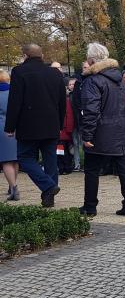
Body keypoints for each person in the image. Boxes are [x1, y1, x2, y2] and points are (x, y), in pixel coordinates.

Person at [4, 43, 66, 208]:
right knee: (50, 160)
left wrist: (10, 127)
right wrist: (60, 123)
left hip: (29, 124)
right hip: (51, 123)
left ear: (25, 55)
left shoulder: (19, 72)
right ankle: (49, 197)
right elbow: (62, 101)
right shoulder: (55, 73)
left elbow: (15, 102)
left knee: (25, 158)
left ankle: (48, 186)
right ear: (41, 55)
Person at [78, 43, 125, 217]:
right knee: (124, 168)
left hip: (101, 131)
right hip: (120, 129)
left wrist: (87, 134)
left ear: (92, 59)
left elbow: (91, 110)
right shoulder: (119, 79)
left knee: (92, 169)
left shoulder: (93, 80)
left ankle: (90, 206)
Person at [0, 70, 19, 201]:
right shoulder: (14, 92)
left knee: (6, 160)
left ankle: (14, 188)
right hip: (16, 127)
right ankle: (11, 186)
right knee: (14, 159)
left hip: (2, 128)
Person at [56, 80, 76, 175]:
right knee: (59, 150)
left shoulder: (66, 100)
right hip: (59, 131)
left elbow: (69, 115)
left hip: (63, 131)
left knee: (63, 150)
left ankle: (65, 167)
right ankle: (62, 167)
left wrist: (69, 129)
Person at [67, 77, 83, 172]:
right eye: (70, 84)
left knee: (83, 143)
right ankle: (77, 164)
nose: (72, 86)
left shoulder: (80, 95)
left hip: (81, 122)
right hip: (72, 124)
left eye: (74, 84)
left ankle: (86, 163)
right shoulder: (67, 97)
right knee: (75, 144)